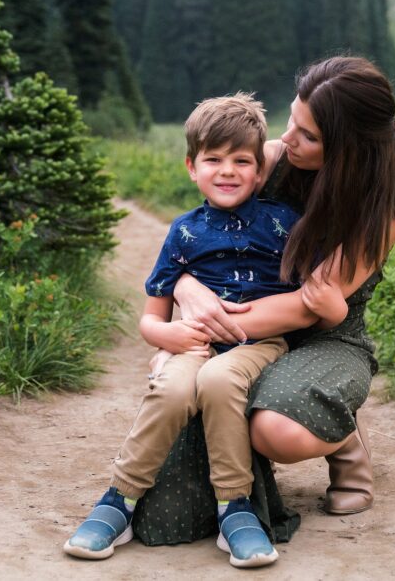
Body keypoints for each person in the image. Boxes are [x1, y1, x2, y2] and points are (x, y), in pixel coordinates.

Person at [63, 93, 346, 567]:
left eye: (241, 160)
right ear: (192, 167)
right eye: (213, 159)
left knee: (218, 381)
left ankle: (235, 508)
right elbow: (151, 317)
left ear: (261, 169)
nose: (228, 171)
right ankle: (119, 501)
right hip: (191, 342)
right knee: (173, 388)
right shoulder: (182, 232)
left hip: (258, 344)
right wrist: (164, 337)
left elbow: (313, 299)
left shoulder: (286, 225)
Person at [150, 56, 395, 535]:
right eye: (293, 118)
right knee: (187, 380)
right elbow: (199, 237)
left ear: (347, 151)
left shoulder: (384, 211)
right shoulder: (273, 157)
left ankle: (343, 436)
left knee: (273, 429)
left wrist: (209, 326)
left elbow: (308, 306)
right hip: (252, 324)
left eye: (308, 135)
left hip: (325, 336)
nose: (287, 138)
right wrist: (187, 288)